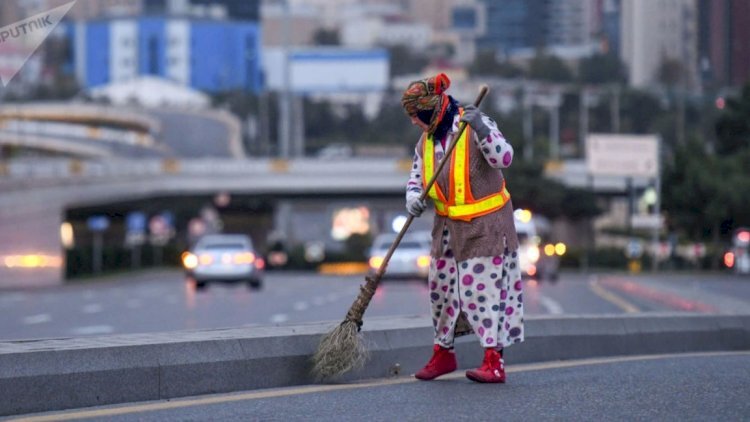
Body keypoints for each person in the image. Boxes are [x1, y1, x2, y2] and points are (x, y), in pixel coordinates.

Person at [401, 73, 523, 383]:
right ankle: (443, 353)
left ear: (431, 111)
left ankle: (493, 361)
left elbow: (504, 157)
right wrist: (414, 198)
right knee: (442, 292)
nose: (414, 122)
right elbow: (417, 178)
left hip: (486, 225)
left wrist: (482, 127)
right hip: (447, 227)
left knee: (481, 293)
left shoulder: (472, 126)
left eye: (417, 116)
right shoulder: (426, 141)